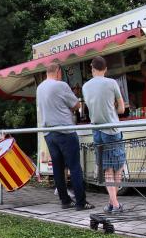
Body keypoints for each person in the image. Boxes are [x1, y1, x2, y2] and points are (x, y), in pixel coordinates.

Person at [37, 63, 95, 210]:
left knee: (57, 167)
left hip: (48, 133)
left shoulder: (40, 88)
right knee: (75, 167)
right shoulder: (60, 85)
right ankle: (81, 202)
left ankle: (65, 201)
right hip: (65, 131)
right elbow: (76, 105)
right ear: (58, 72)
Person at [83, 56, 126, 213]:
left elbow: (92, 108)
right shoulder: (112, 83)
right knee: (119, 166)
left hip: (97, 131)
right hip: (112, 130)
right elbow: (122, 109)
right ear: (106, 69)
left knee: (107, 169)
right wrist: (113, 106)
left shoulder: (85, 86)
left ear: (92, 69)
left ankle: (111, 203)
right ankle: (115, 204)